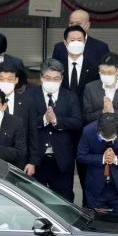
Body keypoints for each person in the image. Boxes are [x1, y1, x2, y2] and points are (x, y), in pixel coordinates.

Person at [29, 59, 83, 201]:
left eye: (56, 78)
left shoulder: (70, 97)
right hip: (37, 159)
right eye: (48, 78)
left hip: (62, 159)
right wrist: (44, 120)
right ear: (41, 77)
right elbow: (24, 123)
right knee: (35, 199)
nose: (52, 81)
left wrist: (56, 121)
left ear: (61, 79)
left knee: (63, 200)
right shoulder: (30, 96)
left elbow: (77, 122)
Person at [77, 113, 118, 213]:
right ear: (99, 129)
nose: (107, 140)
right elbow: (81, 156)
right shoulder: (88, 130)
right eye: (104, 138)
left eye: (111, 138)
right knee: (96, 224)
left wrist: (116, 159)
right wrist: (102, 158)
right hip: (96, 189)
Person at [0, 61, 39, 175]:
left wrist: (32, 162)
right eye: (2, 79)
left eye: (9, 79)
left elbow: (33, 133)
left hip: (21, 162)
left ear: (16, 80)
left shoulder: (27, 102)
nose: (5, 82)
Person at [82, 52, 118, 126]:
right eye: (102, 72)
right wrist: (103, 111)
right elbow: (86, 117)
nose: (106, 75)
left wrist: (113, 112)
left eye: (109, 72)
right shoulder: (90, 88)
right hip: (97, 129)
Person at [56, 25, 98, 101]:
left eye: (79, 40)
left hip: (86, 109)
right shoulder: (58, 66)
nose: (76, 43)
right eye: (72, 40)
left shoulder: (94, 66)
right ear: (65, 42)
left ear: (84, 42)